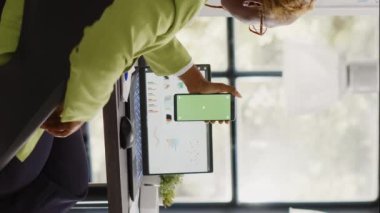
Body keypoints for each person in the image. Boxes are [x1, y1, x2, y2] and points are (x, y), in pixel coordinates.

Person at [0, 0, 314, 211]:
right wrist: (79, 112)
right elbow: (100, 53)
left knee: (69, 183)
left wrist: (193, 80)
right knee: (18, 179)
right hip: (28, 51)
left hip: (46, 27)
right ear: (253, 4)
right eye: (262, 24)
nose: (254, 26)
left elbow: (145, 28)